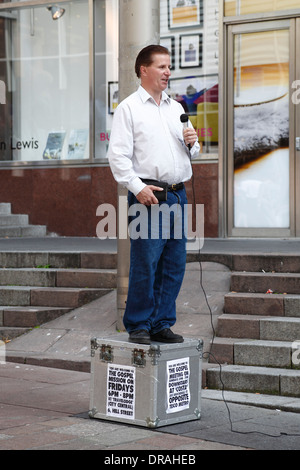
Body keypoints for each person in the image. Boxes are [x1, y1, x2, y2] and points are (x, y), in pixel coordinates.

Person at [108, 45, 199, 344]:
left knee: (174, 263)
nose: (168, 72)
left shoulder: (176, 108)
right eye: (161, 67)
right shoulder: (129, 109)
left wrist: (192, 142)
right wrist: (138, 188)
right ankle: (139, 324)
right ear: (143, 70)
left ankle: (161, 323)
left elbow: (192, 151)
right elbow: (118, 157)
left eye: (169, 67)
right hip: (149, 194)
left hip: (178, 194)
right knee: (145, 262)